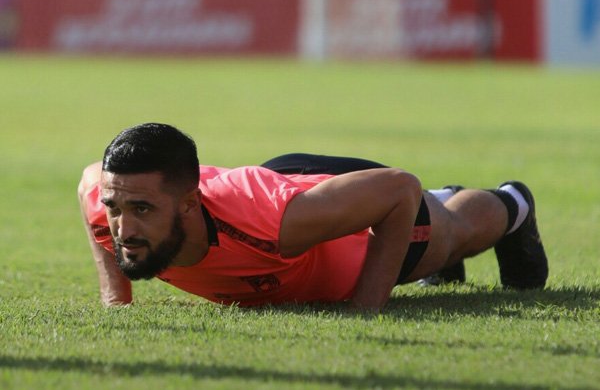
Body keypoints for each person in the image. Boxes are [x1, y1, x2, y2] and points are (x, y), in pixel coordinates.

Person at [78, 123, 548, 310]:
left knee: (447, 231)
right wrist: (116, 299)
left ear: (187, 203)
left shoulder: (273, 227)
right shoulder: (110, 198)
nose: (124, 228)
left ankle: (512, 204)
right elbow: (88, 185)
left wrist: (365, 309)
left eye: (142, 210)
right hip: (285, 193)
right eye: (116, 208)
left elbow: (398, 188)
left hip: (328, 215)